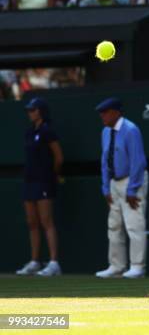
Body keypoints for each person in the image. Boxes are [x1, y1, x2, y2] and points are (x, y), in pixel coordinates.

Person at [95, 98, 149, 279]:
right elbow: (104, 160)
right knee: (114, 225)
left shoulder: (131, 130)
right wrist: (105, 187)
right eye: (101, 113)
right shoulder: (105, 132)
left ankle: (137, 266)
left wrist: (132, 189)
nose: (102, 116)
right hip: (114, 183)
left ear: (117, 112)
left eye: (106, 112)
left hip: (132, 181)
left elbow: (138, 161)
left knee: (134, 224)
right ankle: (116, 265)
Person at [16, 98, 63, 277]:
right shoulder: (29, 132)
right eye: (29, 110)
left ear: (40, 112)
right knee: (32, 223)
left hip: (44, 181)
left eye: (33, 110)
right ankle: (35, 261)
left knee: (46, 221)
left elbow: (58, 157)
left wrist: (53, 174)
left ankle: (53, 262)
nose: (30, 113)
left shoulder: (47, 132)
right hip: (29, 181)